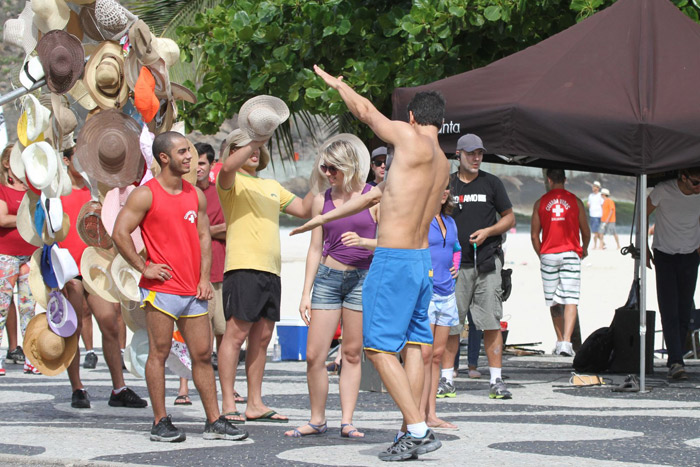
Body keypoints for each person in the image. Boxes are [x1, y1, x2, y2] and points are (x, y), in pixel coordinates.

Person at [292, 65, 448, 461]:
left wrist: (338, 84)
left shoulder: (408, 139)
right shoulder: (443, 162)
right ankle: (412, 428)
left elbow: (364, 112)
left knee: (377, 349)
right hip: (420, 261)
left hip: (393, 259)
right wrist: (322, 218)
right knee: (415, 345)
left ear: (412, 117)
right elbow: (379, 193)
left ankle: (416, 429)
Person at [113, 131, 247, 442]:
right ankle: (160, 421)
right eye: (182, 152)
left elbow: (203, 237)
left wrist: (203, 278)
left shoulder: (195, 195)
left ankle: (214, 421)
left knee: (202, 354)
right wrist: (143, 266)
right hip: (161, 291)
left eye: (189, 151)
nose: (189, 157)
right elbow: (120, 232)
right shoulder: (146, 194)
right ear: (164, 158)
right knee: (158, 353)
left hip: (192, 291)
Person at [216, 123, 313, 425]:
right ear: (233, 151)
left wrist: (321, 174)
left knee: (262, 339)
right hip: (243, 268)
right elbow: (226, 166)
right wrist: (256, 137)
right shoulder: (229, 181)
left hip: (272, 270)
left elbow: (305, 208)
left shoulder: (271, 185)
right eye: (246, 146)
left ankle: (255, 403)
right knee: (235, 335)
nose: (255, 151)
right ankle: (229, 401)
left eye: (258, 147)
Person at [285, 136, 377, 438]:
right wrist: (305, 293)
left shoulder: (372, 196)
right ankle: (317, 418)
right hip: (327, 278)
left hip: (362, 278)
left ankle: (347, 420)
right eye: (324, 167)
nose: (328, 173)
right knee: (315, 354)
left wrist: (365, 242)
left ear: (349, 166)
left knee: (351, 353)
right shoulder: (320, 198)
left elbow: (390, 242)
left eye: (333, 168)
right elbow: (315, 248)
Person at [59, 145, 148, 409]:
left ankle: (118, 388)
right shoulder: (57, 191)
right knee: (72, 328)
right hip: (69, 267)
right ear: (66, 160)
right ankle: (77, 387)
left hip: (96, 265)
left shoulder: (98, 190)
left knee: (110, 323)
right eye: (78, 157)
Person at [442, 133, 515, 400]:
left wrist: (488, 231)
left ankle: (496, 380)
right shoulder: (447, 184)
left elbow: (509, 218)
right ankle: (446, 379)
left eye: (480, 153)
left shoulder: (492, 183)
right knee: (451, 324)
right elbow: (433, 219)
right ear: (458, 155)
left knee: (491, 323)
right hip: (454, 267)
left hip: (487, 263)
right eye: (471, 153)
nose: (476, 158)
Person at [175, 142, 230, 406]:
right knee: (193, 335)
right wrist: (212, 229)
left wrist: (205, 230)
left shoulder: (220, 193)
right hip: (191, 275)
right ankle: (183, 387)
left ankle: (225, 390)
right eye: (194, 161)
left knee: (223, 333)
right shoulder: (183, 193)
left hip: (221, 270)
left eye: (203, 163)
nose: (198, 167)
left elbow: (230, 227)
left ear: (210, 166)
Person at [646, 168, 700, 380]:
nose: (699, 187)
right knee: (669, 308)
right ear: (683, 177)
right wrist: (643, 247)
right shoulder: (663, 190)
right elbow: (643, 212)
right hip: (665, 254)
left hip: (690, 254)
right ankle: (676, 361)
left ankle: (676, 357)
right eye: (696, 183)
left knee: (685, 308)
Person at [530, 169, 590, 357]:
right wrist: (584, 248)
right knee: (571, 299)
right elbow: (585, 231)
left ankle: (559, 340)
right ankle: (566, 341)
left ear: (548, 179)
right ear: (565, 179)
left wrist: (542, 255)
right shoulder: (576, 202)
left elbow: (534, 235)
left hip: (548, 254)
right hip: (571, 252)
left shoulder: (540, 203)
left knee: (553, 300)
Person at [422, 186, 459, 429]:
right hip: (428, 293)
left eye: (447, 187)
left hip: (448, 295)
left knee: (437, 356)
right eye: (438, 186)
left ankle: (432, 414)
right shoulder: (422, 219)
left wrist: (456, 265)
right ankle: (417, 413)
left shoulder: (450, 221)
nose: (444, 191)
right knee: (424, 356)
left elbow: (456, 248)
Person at [0, 143, 35, 376]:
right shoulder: (2, 189)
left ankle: (32, 357)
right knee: (1, 307)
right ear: (6, 163)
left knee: (28, 307)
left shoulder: (32, 188)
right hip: (6, 254)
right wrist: (25, 220)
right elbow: (2, 219)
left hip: (30, 253)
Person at [587, 181, 604, 249]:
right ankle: (602, 243)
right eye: (593, 186)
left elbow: (603, 205)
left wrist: (604, 215)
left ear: (598, 188)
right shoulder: (590, 195)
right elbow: (589, 204)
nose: (593, 188)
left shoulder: (600, 195)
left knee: (597, 232)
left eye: (595, 187)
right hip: (592, 215)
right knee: (595, 231)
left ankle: (597, 245)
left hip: (599, 215)